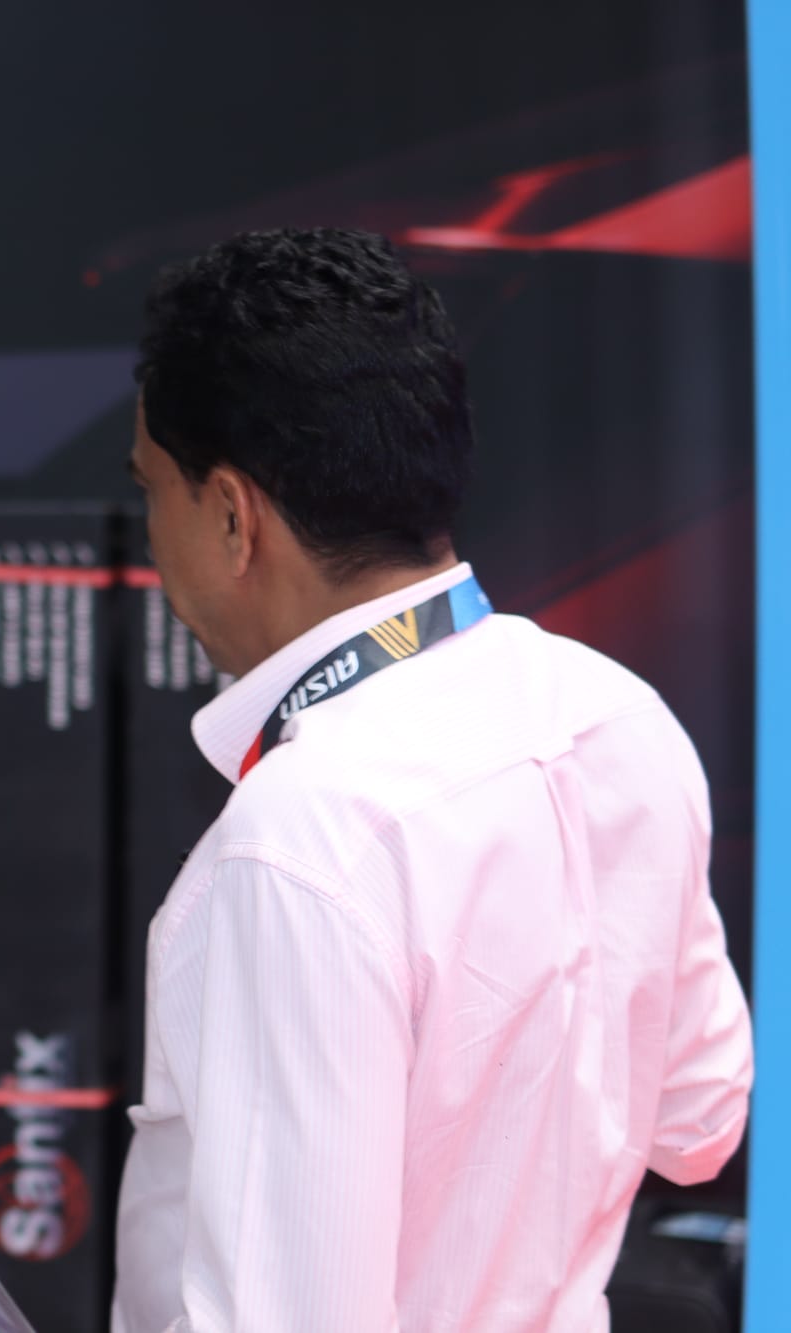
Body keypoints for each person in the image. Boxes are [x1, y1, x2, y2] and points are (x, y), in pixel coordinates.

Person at [112, 228, 752, 1332]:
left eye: (151, 493)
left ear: (229, 515)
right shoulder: (615, 714)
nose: (152, 540)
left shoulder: (299, 836)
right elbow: (697, 1121)